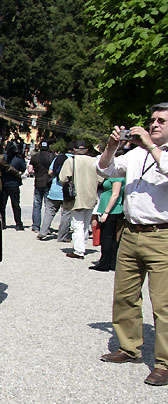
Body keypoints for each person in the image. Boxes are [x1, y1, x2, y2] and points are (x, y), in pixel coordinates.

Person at [97, 102, 168, 386]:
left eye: (162, 121)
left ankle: (164, 363)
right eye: (152, 120)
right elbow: (105, 169)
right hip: (131, 232)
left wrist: (152, 146)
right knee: (125, 295)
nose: (154, 125)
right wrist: (112, 146)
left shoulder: (153, 153)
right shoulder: (136, 154)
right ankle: (129, 347)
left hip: (162, 235)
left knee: (163, 304)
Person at [58, 140, 100, 259]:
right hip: (91, 195)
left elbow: (63, 178)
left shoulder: (71, 161)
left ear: (74, 150)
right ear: (86, 150)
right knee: (86, 224)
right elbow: (101, 178)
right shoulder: (94, 161)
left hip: (77, 196)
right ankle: (83, 246)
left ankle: (78, 250)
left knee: (77, 224)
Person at [37, 144, 72, 242]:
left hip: (55, 188)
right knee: (66, 213)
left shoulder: (58, 158)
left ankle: (43, 231)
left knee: (49, 211)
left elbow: (50, 172)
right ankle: (62, 236)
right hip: (68, 191)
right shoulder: (74, 160)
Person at [91, 173, 125, 271]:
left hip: (112, 211)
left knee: (106, 238)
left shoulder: (117, 176)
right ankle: (111, 262)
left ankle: (104, 263)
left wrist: (106, 212)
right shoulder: (114, 175)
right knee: (112, 238)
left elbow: (115, 194)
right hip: (111, 210)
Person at [0, 142, 26, 230]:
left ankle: (2, 223)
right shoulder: (18, 159)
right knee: (16, 205)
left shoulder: (3, 158)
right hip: (14, 184)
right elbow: (23, 168)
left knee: (2, 205)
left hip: (4, 183)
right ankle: (18, 223)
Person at [28, 140, 54, 232]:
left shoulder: (35, 157)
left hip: (38, 182)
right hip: (48, 182)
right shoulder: (52, 156)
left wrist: (37, 173)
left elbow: (30, 170)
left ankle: (36, 226)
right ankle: (46, 227)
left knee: (37, 204)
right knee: (48, 206)